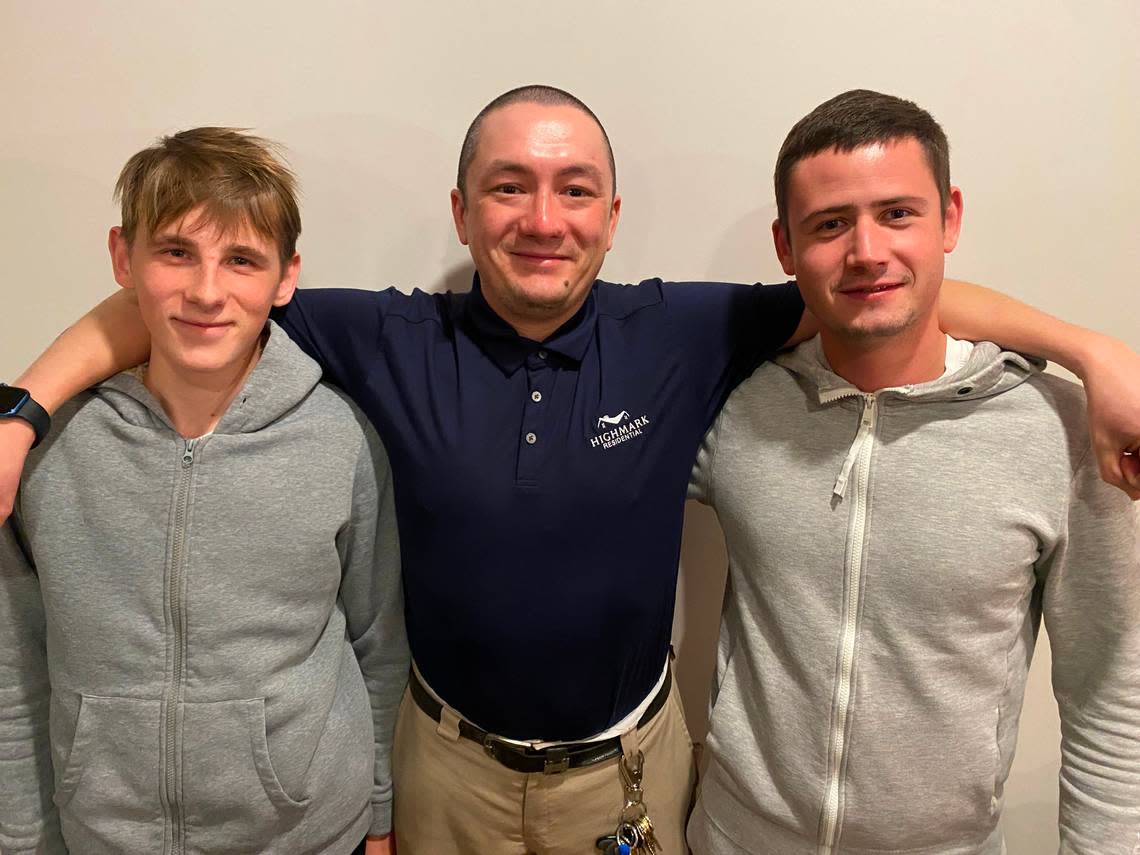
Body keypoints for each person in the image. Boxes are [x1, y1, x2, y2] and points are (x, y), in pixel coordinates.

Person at [1, 86, 1139, 854]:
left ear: (610, 215)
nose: (542, 219)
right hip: (443, 764)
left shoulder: (687, 333)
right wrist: (21, 414)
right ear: (463, 209)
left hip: (633, 772)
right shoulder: (387, 336)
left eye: (574, 189)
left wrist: (1092, 350)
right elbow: (193, 290)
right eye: (508, 187)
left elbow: (882, 286)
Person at [687, 90, 1140, 854]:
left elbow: (1111, 693)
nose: (866, 250)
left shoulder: (1064, 432)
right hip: (734, 836)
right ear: (785, 246)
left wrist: (1091, 355)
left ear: (949, 218)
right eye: (830, 224)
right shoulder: (735, 406)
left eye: (898, 213)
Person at [0, 128, 408, 855]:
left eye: (242, 260)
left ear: (286, 280)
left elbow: (378, 643)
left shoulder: (340, 439)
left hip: (307, 834)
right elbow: (15, 667)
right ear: (124, 257)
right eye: (176, 252)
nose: (207, 291)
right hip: (105, 837)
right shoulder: (45, 454)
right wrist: (24, 835)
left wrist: (379, 814)